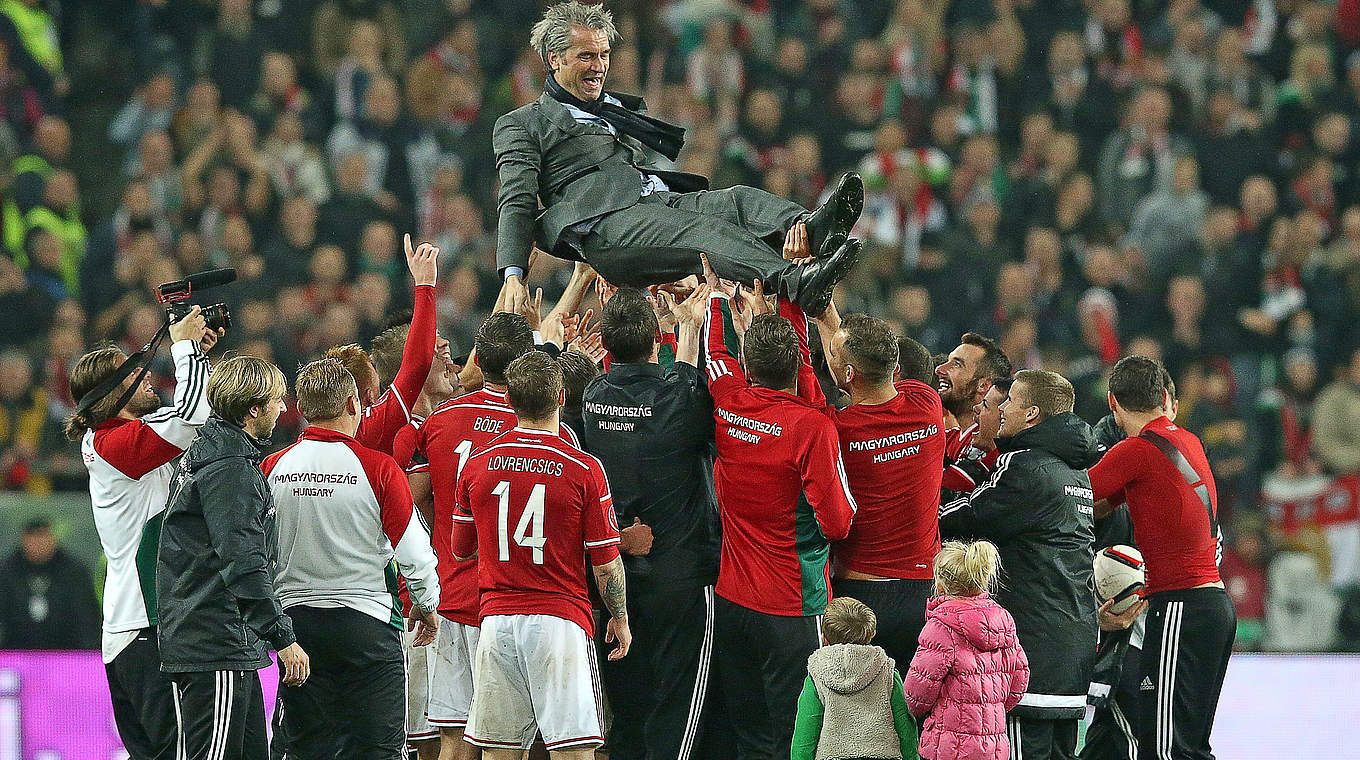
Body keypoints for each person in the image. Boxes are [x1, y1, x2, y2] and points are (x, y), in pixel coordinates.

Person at [494, 2, 862, 317]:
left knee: (738, 200)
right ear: (555, 59)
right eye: (586, 56)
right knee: (706, 235)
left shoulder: (610, 107)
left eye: (604, 55)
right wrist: (513, 274)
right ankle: (795, 283)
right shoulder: (521, 123)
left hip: (655, 201)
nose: (599, 66)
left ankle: (812, 229)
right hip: (606, 227)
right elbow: (516, 199)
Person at [686, 253, 857, 760]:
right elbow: (839, 521)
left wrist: (717, 295)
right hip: (792, 608)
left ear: (750, 365)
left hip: (732, 603)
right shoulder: (813, 430)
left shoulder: (730, 398)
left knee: (749, 735)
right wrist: (789, 295)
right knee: (795, 736)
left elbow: (715, 352)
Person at [409, 311, 579, 760]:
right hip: (514, 600)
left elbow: (412, 498)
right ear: (527, 363)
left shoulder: (442, 420)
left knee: (454, 741)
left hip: (449, 595)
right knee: (515, 746)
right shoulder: (543, 424)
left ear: (478, 359)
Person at [452, 351, 630, 758]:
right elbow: (606, 564)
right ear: (562, 397)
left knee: (499, 753)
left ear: (511, 401)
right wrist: (619, 617)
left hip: (496, 624)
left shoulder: (477, 465)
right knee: (573, 753)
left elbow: (461, 549)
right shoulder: (583, 468)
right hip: (559, 624)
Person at [263, 358, 441, 759]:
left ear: (303, 409)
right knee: (377, 750)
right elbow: (414, 552)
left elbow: (256, 551)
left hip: (297, 628)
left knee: (307, 750)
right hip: (366, 628)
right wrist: (427, 605)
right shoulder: (378, 469)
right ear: (351, 404)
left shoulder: (272, 467)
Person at [63, 304, 220, 760]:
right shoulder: (112, 443)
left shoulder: (119, 439)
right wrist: (185, 347)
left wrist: (200, 356)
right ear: (111, 394)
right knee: (179, 752)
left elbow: (193, 417)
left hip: (131, 630)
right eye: (132, 371)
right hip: (147, 627)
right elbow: (189, 422)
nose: (147, 375)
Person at [582, 284, 720, 760]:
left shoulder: (593, 400)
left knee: (628, 711)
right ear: (652, 342)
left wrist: (673, 328)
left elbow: (668, 382)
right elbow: (683, 381)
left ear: (603, 344)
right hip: (680, 580)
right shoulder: (682, 400)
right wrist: (687, 324)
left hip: (611, 577)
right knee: (678, 709)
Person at [938, 370, 1099, 760]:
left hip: (1030, 646)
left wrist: (917, 501)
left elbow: (965, 516)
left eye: (1010, 402)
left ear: (1031, 414)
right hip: (1072, 642)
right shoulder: (1076, 472)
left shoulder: (1024, 464)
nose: (1002, 408)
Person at [157, 356, 310, 760]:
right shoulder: (230, 470)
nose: (284, 407)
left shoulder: (210, 456)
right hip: (216, 644)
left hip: (219, 642)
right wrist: (283, 637)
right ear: (252, 409)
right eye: (277, 400)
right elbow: (242, 562)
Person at [1089, 356, 1235, 760]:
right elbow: (1111, 502)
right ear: (1166, 397)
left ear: (1112, 403)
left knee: (1165, 750)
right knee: (1190, 745)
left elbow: (1075, 496)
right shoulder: (1186, 440)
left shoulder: (1135, 450)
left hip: (1178, 607)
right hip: (1214, 606)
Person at [810, 300, 946, 672]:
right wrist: (826, 312)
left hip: (860, 597)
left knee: (856, 720)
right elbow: (852, 359)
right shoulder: (927, 402)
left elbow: (816, 384)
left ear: (849, 373)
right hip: (924, 594)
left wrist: (824, 312)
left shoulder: (838, 430)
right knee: (913, 718)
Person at [904, 541, 1030, 760]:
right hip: (994, 746)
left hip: (947, 747)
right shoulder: (1004, 621)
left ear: (941, 584)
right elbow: (1019, 680)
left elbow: (916, 696)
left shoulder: (941, 626)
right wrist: (990, 708)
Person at [323, 234, 440, 455]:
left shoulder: (280, 460)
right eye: (378, 390)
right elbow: (416, 367)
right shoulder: (368, 430)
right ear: (366, 398)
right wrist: (425, 285)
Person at [791, 597, 920, 760]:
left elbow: (805, 736)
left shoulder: (816, 675)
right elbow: (905, 725)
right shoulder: (886, 671)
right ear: (871, 634)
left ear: (824, 638)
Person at [0, 518, 101, 649]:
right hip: (14, 653)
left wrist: (87, 653)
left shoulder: (73, 571)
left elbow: (86, 617)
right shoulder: (7, 571)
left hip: (67, 655)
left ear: (53, 540)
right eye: (33, 538)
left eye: (43, 537)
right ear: (24, 540)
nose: (38, 543)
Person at [934, 333, 1012, 472]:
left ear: (982, 385)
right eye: (948, 361)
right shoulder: (950, 438)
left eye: (956, 364)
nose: (939, 369)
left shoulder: (987, 444)